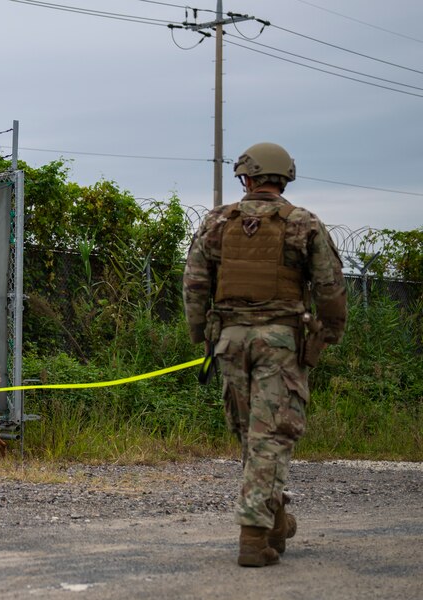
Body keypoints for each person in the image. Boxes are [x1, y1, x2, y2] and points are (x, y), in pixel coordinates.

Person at [183, 142, 347, 567]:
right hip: (280, 343)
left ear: (247, 179)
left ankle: (274, 519)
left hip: (230, 342)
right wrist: (329, 333)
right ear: (284, 177)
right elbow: (329, 286)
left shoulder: (217, 222)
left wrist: (200, 334)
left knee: (251, 436)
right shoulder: (303, 224)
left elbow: (195, 282)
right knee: (269, 437)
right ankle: (253, 536)